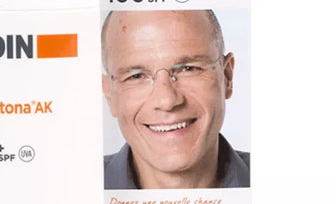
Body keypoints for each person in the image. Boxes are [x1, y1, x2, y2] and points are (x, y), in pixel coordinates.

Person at [102, 10, 249, 189]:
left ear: (226, 77)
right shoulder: (75, 190)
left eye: (188, 69)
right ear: (109, 94)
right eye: (136, 76)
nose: (167, 101)